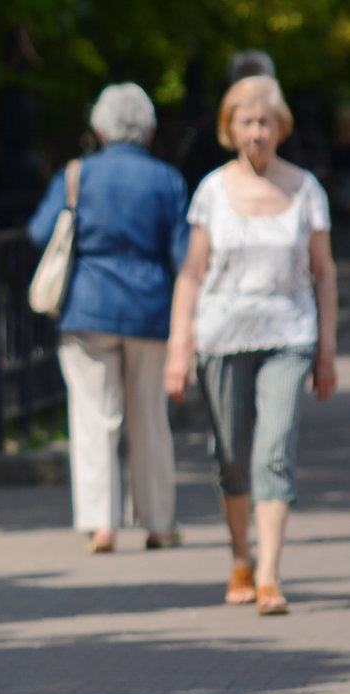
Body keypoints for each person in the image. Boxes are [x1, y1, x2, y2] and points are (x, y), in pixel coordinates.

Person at [164, 76, 338, 615]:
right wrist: (179, 347)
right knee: (231, 459)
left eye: (266, 122)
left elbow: (324, 272)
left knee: (274, 452)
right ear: (230, 128)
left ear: (280, 127)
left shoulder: (305, 189)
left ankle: (269, 575)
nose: (257, 132)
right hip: (222, 338)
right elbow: (192, 274)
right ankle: (241, 555)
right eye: (247, 121)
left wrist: (327, 348)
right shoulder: (213, 190)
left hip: (289, 335)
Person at [26, 82, 189, 553]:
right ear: (151, 128)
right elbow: (183, 255)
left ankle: (102, 524)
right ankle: (159, 523)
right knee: (150, 419)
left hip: (88, 307)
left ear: (98, 127)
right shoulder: (167, 179)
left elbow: (40, 231)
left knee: (94, 418)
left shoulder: (78, 174)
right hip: (150, 310)